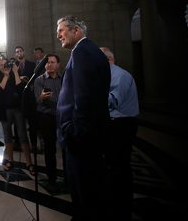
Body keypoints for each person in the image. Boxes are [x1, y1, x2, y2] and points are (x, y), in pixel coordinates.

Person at [56, 15, 111, 221]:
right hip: (89, 134)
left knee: (84, 191)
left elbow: (83, 97)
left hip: (82, 138)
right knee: (91, 189)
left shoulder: (81, 53)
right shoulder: (91, 51)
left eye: (61, 30)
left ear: (76, 30)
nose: (58, 34)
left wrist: (73, 130)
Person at [100, 47, 139, 221]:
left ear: (108, 60)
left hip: (121, 125)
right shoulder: (108, 74)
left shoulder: (119, 75)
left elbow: (113, 101)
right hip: (112, 124)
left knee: (120, 165)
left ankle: (122, 206)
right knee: (112, 164)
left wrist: (89, 93)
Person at [0, 57, 34, 174]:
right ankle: (10, 160)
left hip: (17, 108)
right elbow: (0, 90)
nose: (3, 66)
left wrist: (15, 72)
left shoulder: (15, 73)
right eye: (0, 65)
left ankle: (29, 162)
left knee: (22, 135)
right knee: (7, 136)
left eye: (5, 64)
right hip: (4, 109)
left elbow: (19, 87)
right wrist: (6, 76)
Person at [33, 54, 62, 193]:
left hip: (62, 117)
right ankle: (52, 179)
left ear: (58, 65)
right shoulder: (39, 80)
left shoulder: (64, 80)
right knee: (49, 149)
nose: (49, 64)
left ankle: (68, 177)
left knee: (65, 148)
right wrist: (42, 97)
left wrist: (52, 100)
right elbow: (38, 100)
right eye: (47, 62)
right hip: (47, 117)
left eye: (52, 62)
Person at [14, 46, 38, 152]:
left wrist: (28, 80)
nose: (19, 53)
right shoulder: (14, 66)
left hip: (30, 97)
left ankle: (34, 145)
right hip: (18, 97)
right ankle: (18, 143)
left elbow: (36, 79)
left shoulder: (32, 64)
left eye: (20, 51)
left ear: (23, 52)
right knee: (17, 123)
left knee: (32, 123)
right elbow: (12, 81)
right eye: (17, 52)